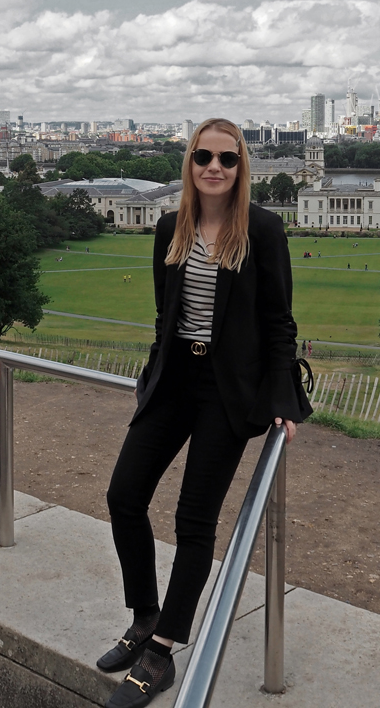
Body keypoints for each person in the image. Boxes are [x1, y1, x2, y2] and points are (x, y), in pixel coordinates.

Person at [98, 118, 312, 708]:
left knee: (194, 521)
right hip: (174, 382)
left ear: (242, 167)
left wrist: (282, 400)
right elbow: (165, 314)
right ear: (189, 164)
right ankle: (144, 616)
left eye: (227, 158)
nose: (214, 167)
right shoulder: (171, 224)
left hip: (227, 391)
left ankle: (162, 651)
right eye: (203, 156)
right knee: (124, 496)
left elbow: (278, 321)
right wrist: (150, 379)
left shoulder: (263, 230)